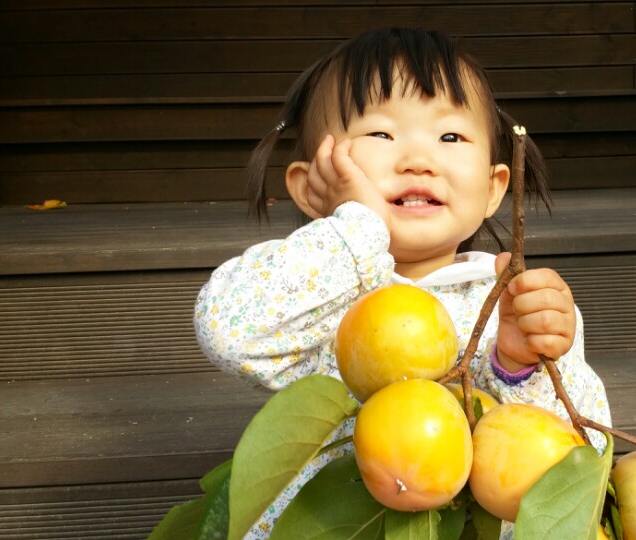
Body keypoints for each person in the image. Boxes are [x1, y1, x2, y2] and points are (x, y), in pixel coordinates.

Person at [194, 27, 611, 539]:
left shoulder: (512, 301)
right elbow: (229, 329)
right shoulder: (320, 291)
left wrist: (520, 368)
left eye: (451, 136)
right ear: (309, 187)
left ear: (493, 188)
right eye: (380, 134)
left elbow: (575, 466)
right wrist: (356, 229)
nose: (418, 158)